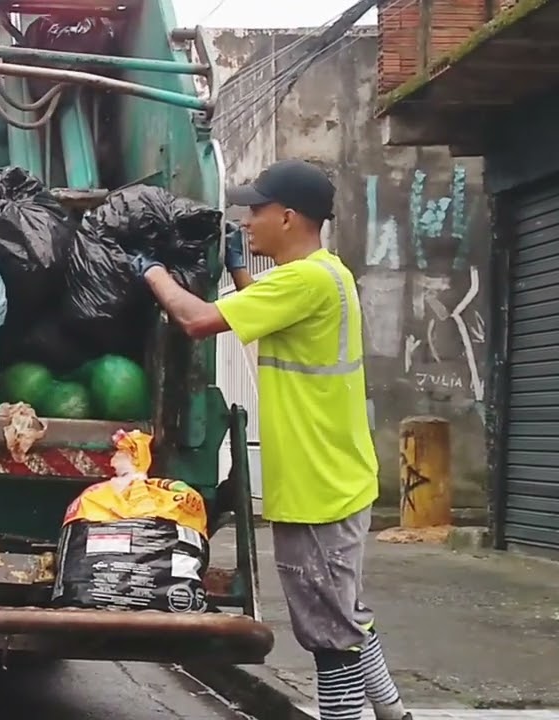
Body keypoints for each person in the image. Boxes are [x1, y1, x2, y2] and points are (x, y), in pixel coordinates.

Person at [126, 160, 411, 720]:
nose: (247, 220)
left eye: (255, 210)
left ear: (287, 216)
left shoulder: (303, 280)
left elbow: (198, 320)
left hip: (317, 487)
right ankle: (395, 713)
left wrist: (151, 271)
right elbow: (266, 307)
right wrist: (238, 271)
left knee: (330, 635)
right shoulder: (326, 274)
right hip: (333, 475)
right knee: (347, 612)